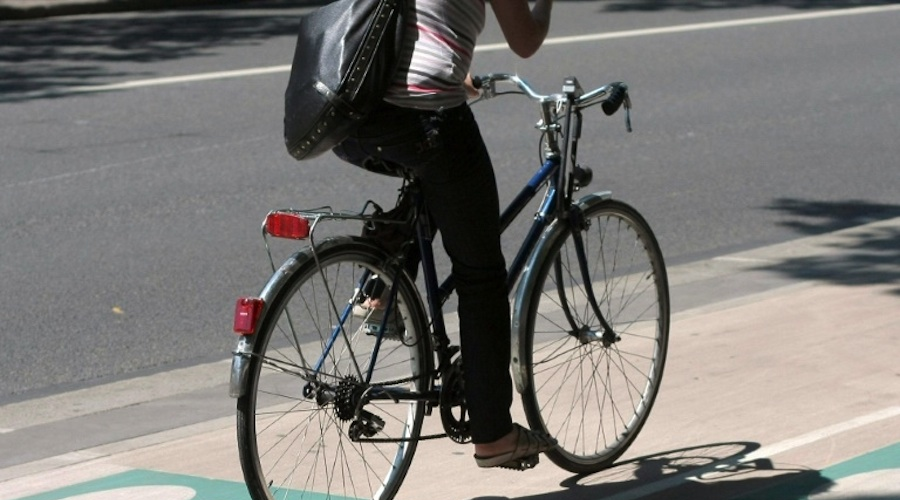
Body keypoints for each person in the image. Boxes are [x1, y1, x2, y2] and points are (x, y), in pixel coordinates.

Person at [333, 0, 556, 470]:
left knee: (434, 185)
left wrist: (459, 80)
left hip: (355, 115)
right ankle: (493, 433)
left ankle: (384, 288)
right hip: (427, 115)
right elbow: (526, 40)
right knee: (481, 274)